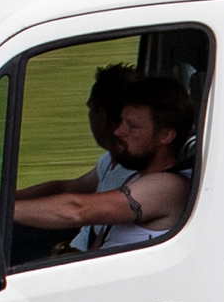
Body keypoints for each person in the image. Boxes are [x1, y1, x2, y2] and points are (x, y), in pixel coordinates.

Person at [15, 77, 197, 252]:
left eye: (132, 126)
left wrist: (0, 210)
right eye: (122, 121)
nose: (118, 131)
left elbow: (76, 210)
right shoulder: (136, 177)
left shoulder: (169, 187)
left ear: (165, 136)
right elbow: (97, 249)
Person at [16, 64, 138, 254]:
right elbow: (64, 188)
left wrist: (4, 210)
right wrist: (5, 199)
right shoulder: (111, 162)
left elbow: (76, 210)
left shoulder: (140, 175)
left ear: (102, 115)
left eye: (90, 109)